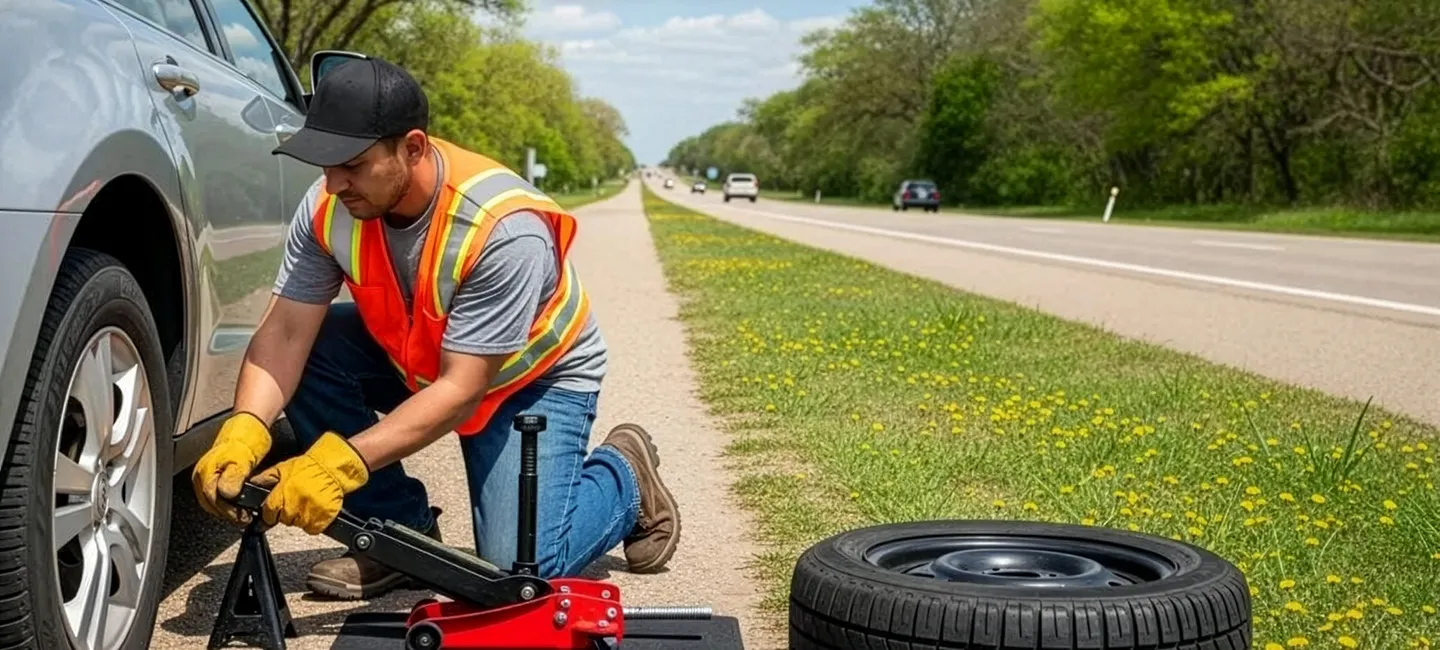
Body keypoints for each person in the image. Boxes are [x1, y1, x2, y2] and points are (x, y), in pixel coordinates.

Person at [189, 56, 680, 600]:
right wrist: (245, 429)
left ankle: (623, 474)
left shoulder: (504, 228)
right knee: (313, 347)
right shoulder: (330, 203)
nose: (332, 182)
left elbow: (461, 390)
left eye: (350, 163)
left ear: (414, 148)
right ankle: (397, 536)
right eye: (322, 163)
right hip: (420, 356)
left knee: (519, 570)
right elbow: (284, 333)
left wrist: (340, 465)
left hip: (530, 379)